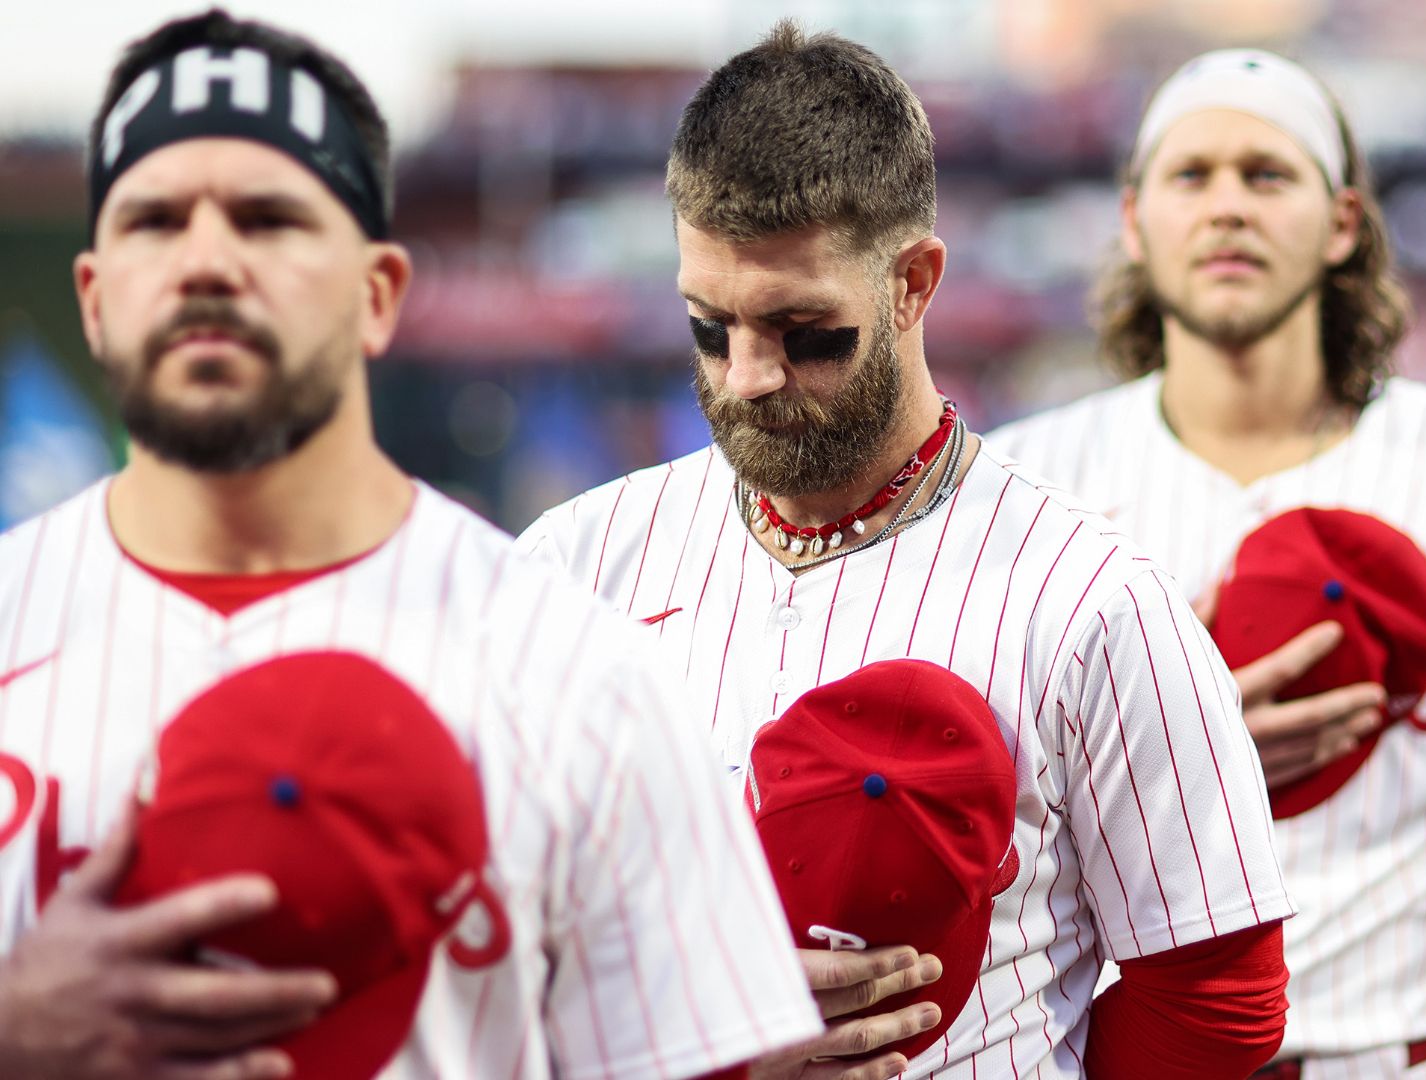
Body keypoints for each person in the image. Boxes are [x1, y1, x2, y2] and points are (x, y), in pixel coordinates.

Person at [0, 11, 821, 1079]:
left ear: (378, 293)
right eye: (155, 221)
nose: (207, 260)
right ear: (95, 301)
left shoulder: (578, 669)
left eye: (267, 218)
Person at [516, 22, 1294, 1080]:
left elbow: (1217, 998)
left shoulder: (1090, 594)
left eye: (805, 331)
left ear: (914, 282)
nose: (746, 376)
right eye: (710, 327)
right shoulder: (573, 564)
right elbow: (484, 946)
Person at [989, 48, 1426, 1079]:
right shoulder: (1026, 483)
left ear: (1343, 223)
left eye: (1268, 173)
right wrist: (1178, 747)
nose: (1228, 207)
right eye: (1191, 176)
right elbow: (998, 838)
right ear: (1133, 220)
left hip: (1391, 1049)